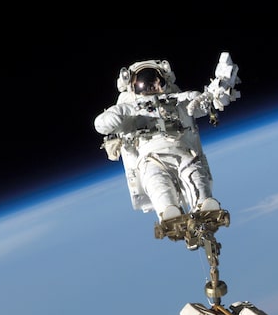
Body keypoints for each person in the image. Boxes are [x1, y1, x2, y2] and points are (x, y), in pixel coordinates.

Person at [94, 54, 240, 222]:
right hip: (150, 157)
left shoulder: (179, 101)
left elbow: (207, 104)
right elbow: (101, 124)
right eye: (144, 83)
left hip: (182, 151)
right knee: (157, 181)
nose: (150, 88)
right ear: (132, 86)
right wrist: (127, 109)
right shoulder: (127, 109)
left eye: (155, 82)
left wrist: (220, 89)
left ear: (164, 82)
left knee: (194, 172)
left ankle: (204, 206)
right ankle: (169, 214)